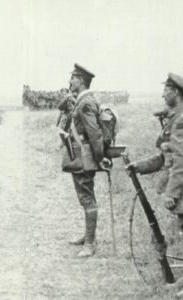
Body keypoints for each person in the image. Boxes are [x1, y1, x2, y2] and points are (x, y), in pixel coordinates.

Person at [129, 73, 183, 299]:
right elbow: (166, 155)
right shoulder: (178, 117)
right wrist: (141, 166)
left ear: (176, 93)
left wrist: (172, 193)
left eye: (166, 90)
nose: (162, 94)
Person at [64, 63, 111, 257]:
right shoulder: (83, 101)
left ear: (81, 81)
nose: (70, 81)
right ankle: (87, 236)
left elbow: (94, 133)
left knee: (87, 198)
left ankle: (90, 244)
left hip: (85, 158)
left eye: (73, 78)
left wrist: (100, 158)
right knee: (86, 196)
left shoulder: (84, 103)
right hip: (82, 155)